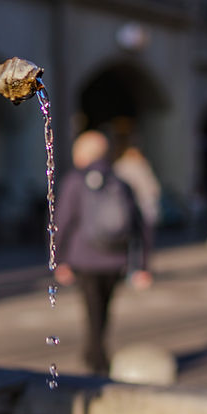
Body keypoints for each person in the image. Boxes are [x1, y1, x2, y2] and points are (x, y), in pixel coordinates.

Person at [54, 130, 152, 375]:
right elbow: (140, 225)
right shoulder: (120, 182)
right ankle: (94, 351)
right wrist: (143, 264)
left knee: (92, 308)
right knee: (105, 308)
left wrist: (59, 258)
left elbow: (63, 221)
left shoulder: (75, 181)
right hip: (115, 257)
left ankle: (96, 357)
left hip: (84, 257)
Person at [113, 145, 162, 248]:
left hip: (126, 203)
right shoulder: (141, 165)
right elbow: (151, 185)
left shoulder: (119, 166)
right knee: (146, 232)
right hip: (144, 201)